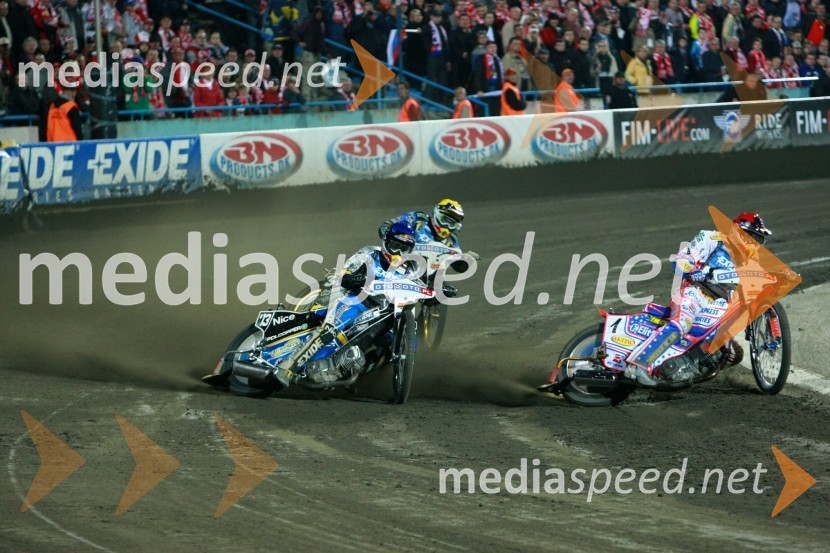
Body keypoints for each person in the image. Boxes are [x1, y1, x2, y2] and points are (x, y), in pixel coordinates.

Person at [624, 213, 772, 386]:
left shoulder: (751, 262)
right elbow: (681, 259)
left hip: (721, 302)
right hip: (695, 290)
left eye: (758, 239)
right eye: (751, 236)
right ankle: (637, 366)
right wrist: (693, 270)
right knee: (682, 323)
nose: (754, 243)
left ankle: (685, 370)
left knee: (731, 353)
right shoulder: (711, 238)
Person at [272, 222, 422, 388]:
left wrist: (437, 292)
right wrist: (352, 277)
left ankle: (355, 376)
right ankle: (287, 367)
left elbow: (419, 286)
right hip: (358, 302)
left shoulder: (411, 268)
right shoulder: (369, 253)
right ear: (387, 242)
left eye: (405, 249)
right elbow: (343, 273)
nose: (399, 253)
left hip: (387, 314)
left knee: (403, 345)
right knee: (329, 330)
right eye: (396, 246)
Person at [379, 199, 465, 250]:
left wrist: (467, 259)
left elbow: (459, 265)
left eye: (452, 224)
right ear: (436, 214)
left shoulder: (451, 241)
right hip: (399, 265)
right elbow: (386, 226)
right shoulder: (418, 219)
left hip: (428, 278)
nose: (447, 227)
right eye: (445, 220)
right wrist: (399, 239)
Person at [46, 75, 82, 142]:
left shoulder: (52, 106)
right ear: (74, 92)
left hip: (53, 144)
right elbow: (77, 129)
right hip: (70, 145)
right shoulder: (71, 107)